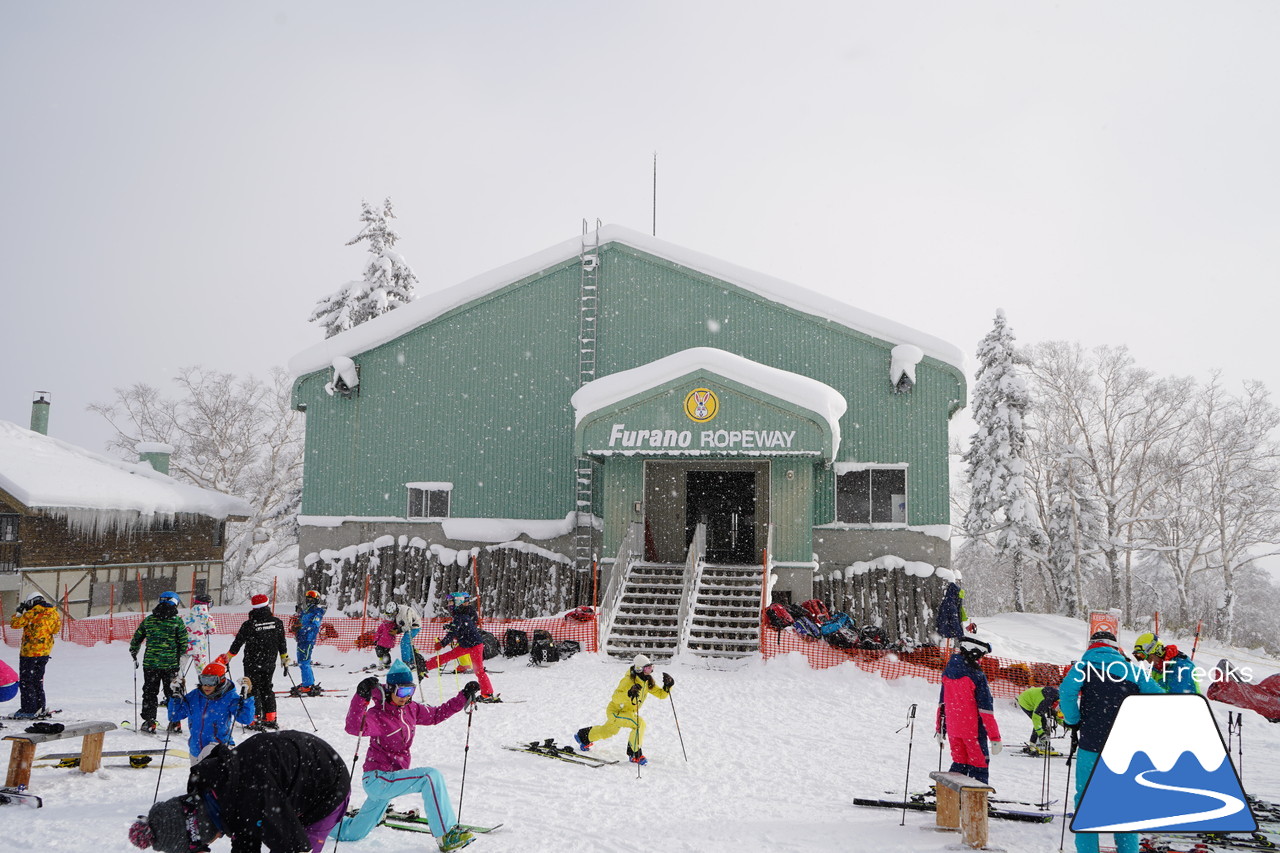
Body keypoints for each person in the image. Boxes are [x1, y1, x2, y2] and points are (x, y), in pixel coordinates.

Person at [333, 660, 481, 852]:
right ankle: (446, 835)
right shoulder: (379, 714)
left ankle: (321, 823)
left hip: (392, 780)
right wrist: (361, 697)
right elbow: (353, 727)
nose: (406, 697)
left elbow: (437, 714)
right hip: (377, 779)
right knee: (429, 777)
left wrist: (463, 696)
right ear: (390, 689)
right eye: (401, 692)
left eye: (410, 691)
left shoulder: (411, 709)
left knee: (352, 833)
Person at [127, 729, 350, 853]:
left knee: (299, 844)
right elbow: (242, 831)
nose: (208, 846)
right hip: (285, 770)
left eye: (203, 846)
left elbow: (294, 848)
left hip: (327, 787)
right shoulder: (208, 790)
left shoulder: (252, 802)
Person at [1059, 629, 1165, 853]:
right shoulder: (1132, 670)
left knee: (1086, 801)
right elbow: (1159, 696)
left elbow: (1066, 692)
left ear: (1091, 646)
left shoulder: (1082, 668)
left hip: (1091, 744)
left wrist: (1074, 720)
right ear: (1115, 648)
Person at [573, 653, 673, 766]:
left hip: (627, 712)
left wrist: (668, 686)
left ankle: (583, 737)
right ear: (639, 669)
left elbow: (661, 695)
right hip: (616, 711)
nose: (650, 670)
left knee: (608, 731)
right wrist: (629, 693)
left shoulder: (646, 681)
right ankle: (635, 754)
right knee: (639, 724)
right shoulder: (628, 681)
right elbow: (615, 698)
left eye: (651, 667)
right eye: (648, 668)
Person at [935, 636, 1001, 784]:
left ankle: (951, 795)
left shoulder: (947, 673)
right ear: (975, 654)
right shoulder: (977, 676)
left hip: (954, 730)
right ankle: (977, 800)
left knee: (959, 764)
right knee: (979, 765)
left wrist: (940, 729)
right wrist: (995, 738)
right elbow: (986, 711)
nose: (981, 661)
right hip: (973, 731)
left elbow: (942, 704)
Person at [166, 656, 256, 763]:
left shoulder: (229, 698)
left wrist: (248, 695)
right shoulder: (195, 696)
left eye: (211, 681)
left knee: (214, 778)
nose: (206, 686)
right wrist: (176, 695)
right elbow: (174, 716)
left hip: (218, 750)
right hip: (195, 751)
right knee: (197, 779)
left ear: (221, 681)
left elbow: (246, 719)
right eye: (203, 680)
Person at [417, 592, 497, 700]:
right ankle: (425, 666)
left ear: (457, 602)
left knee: (479, 670)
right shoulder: (461, 614)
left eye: (451, 602)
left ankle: (488, 694)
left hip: (475, 645)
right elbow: (461, 627)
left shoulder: (461, 615)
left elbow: (453, 633)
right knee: (448, 656)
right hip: (465, 645)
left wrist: (442, 643)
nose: (449, 604)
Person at [227, 593, 288, 730]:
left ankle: (254, 718)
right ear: (267, 605)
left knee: (252, 689)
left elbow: (238, 642)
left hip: (252, 662)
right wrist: (284, 657)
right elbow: (282, 642)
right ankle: (270, 718)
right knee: (267, 688)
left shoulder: (249, 624)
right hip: (269, 662)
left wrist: (229, 656)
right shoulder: (277, 622)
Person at [129, 596, 189, 734]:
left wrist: (134, 650)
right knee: (172, 692)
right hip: (171, 665)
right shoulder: (177, 621)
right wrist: (177, 655)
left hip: (151, 664)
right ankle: (175, 722)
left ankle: (150, 721)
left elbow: (137, 637)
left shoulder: (149, 620)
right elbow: (183, 643)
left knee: (150, 692)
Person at [8, 592, 60, 718]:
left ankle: (28, 709)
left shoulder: (32, 613)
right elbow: (56, 629)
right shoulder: (53, 612)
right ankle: (40, 706)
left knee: (27, 681)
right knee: (37, 680)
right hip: (45, 652)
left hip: (30, 652)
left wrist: (19, 613)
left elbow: (14, 624)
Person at [1132, 632, 1198, 694]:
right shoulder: (1156, 668)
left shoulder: (1183, 667)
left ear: (1158, 651)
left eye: (1150, 658)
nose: (1148, 662)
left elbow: (1176, 698)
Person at [290, 589, 327, 695]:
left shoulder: (317, 611)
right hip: (301, 638)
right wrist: (296, 625)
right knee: (301, 661)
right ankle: (308, 682)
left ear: (317, 599)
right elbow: (299, 621)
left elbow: (315, 625)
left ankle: (308, 685)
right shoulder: (305, 611)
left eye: (312, 597)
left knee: (304, 661)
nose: (309, 599)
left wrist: (302, 627)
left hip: (308, 639)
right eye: (308, 597)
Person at [1015, 685, 1061, 754]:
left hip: (1036, 698)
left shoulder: (1060, 698)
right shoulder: (1045, 702)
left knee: (1044, 722)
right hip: (1026, 701)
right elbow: (1036, 718)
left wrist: (1068, 725)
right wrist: (1041, 733)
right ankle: (1033, 745)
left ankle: (1040, 743)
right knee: (1042, 722)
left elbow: (1057, 716)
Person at [182, 592, 217, 671]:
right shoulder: (207, 617)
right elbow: (212, 630)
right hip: (199, 648)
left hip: (185, 647)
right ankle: (204, 682)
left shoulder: (186, 616)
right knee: (202, 669)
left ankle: (178, 681)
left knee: (180, 668)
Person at [382, 600, 422, 666]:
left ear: (396, 610)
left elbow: (408, 626)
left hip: (414, 626)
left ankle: (406, 662)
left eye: (392, 614)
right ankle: (412, 660)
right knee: (408, 643)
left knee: (405, 642)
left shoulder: (405, 613)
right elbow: (399, 622)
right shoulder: (396, 613)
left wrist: (397, 631)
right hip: (407, 626)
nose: (391, 616)